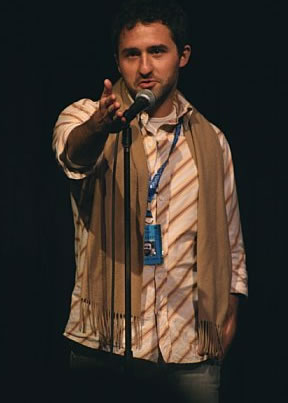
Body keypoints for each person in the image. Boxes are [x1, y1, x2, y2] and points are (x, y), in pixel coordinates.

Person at [52, 0, 248, 401]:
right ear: (117, 61)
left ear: (183, 56)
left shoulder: (212, 140)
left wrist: (228, 321)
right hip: (103, 348)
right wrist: (100, 128)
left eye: (157, 51)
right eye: (132, 54)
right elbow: (74, 155)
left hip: (189, 353)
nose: (144, 68)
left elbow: (231, 243)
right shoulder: (84, 117)